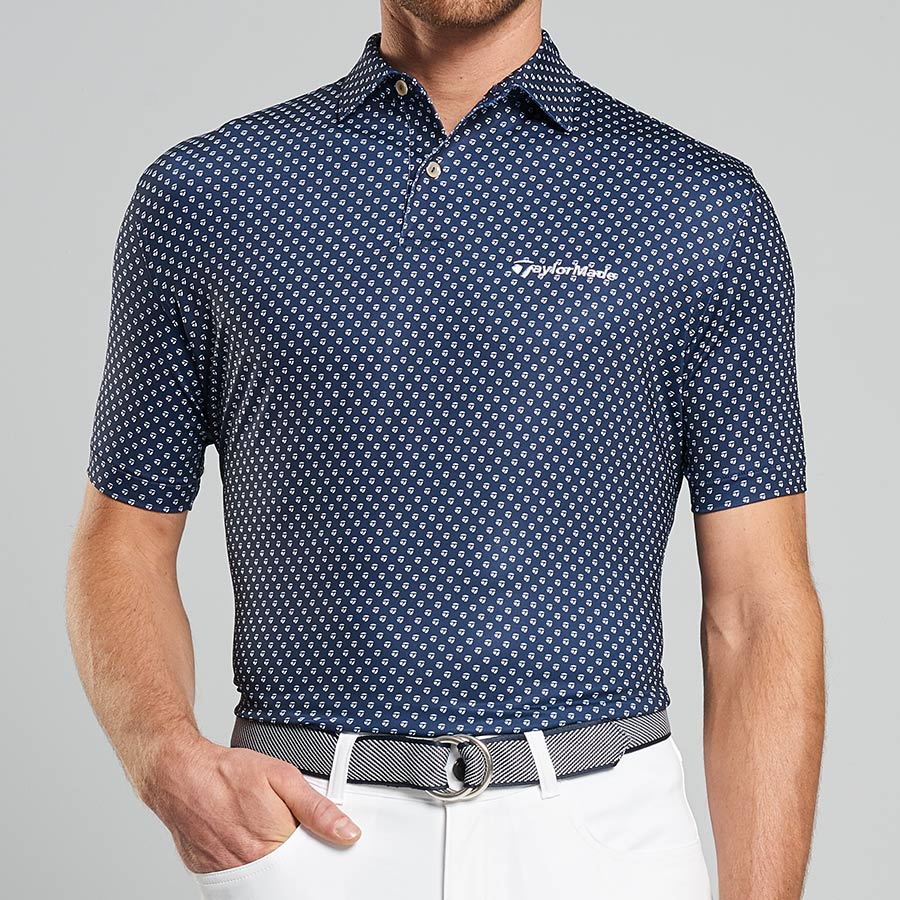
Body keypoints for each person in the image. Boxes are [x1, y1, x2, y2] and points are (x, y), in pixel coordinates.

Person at [65, 1, 825, 898]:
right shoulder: (209, 193)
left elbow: (757, 606)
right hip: (311, 832)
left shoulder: (699, 207)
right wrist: (165, 759)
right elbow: (123, 536)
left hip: (598, 834)